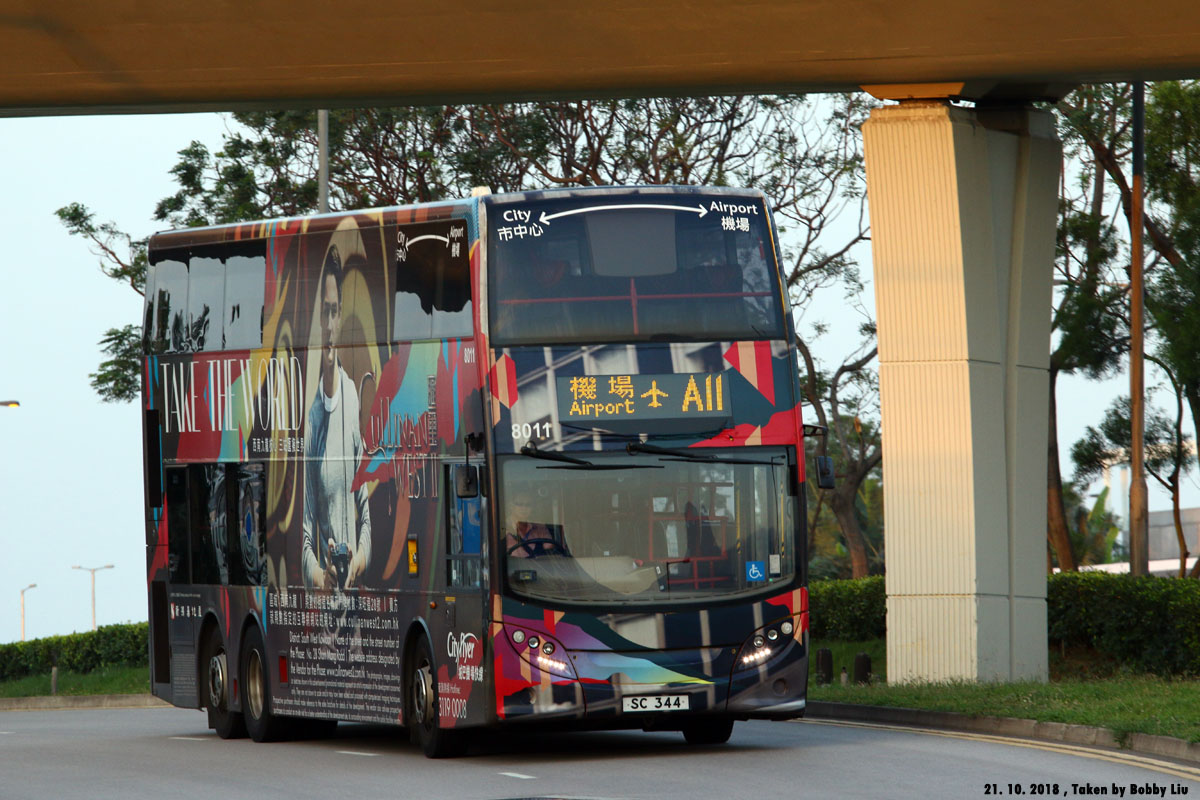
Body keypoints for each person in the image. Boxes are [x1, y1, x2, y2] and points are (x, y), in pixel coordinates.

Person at [302, 243, 372, 590]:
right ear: (316, 319)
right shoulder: (311, 418)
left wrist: (358, 560)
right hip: (325, 615)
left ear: (341, 314)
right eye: (323, 313)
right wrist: (321, 575)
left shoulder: (352, 396)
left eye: (334, 312)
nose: (329, 325)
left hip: (356, 607)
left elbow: (366, 516)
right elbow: (304, 531)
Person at [505, 491, 561, 558]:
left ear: (532, 508)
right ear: (511, 506)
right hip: (511, 567)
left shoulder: (540, 528)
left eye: (528, 505)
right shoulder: (502, 527)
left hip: (536, 566)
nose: (524, 508)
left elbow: (549, 546)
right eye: (519, 504)